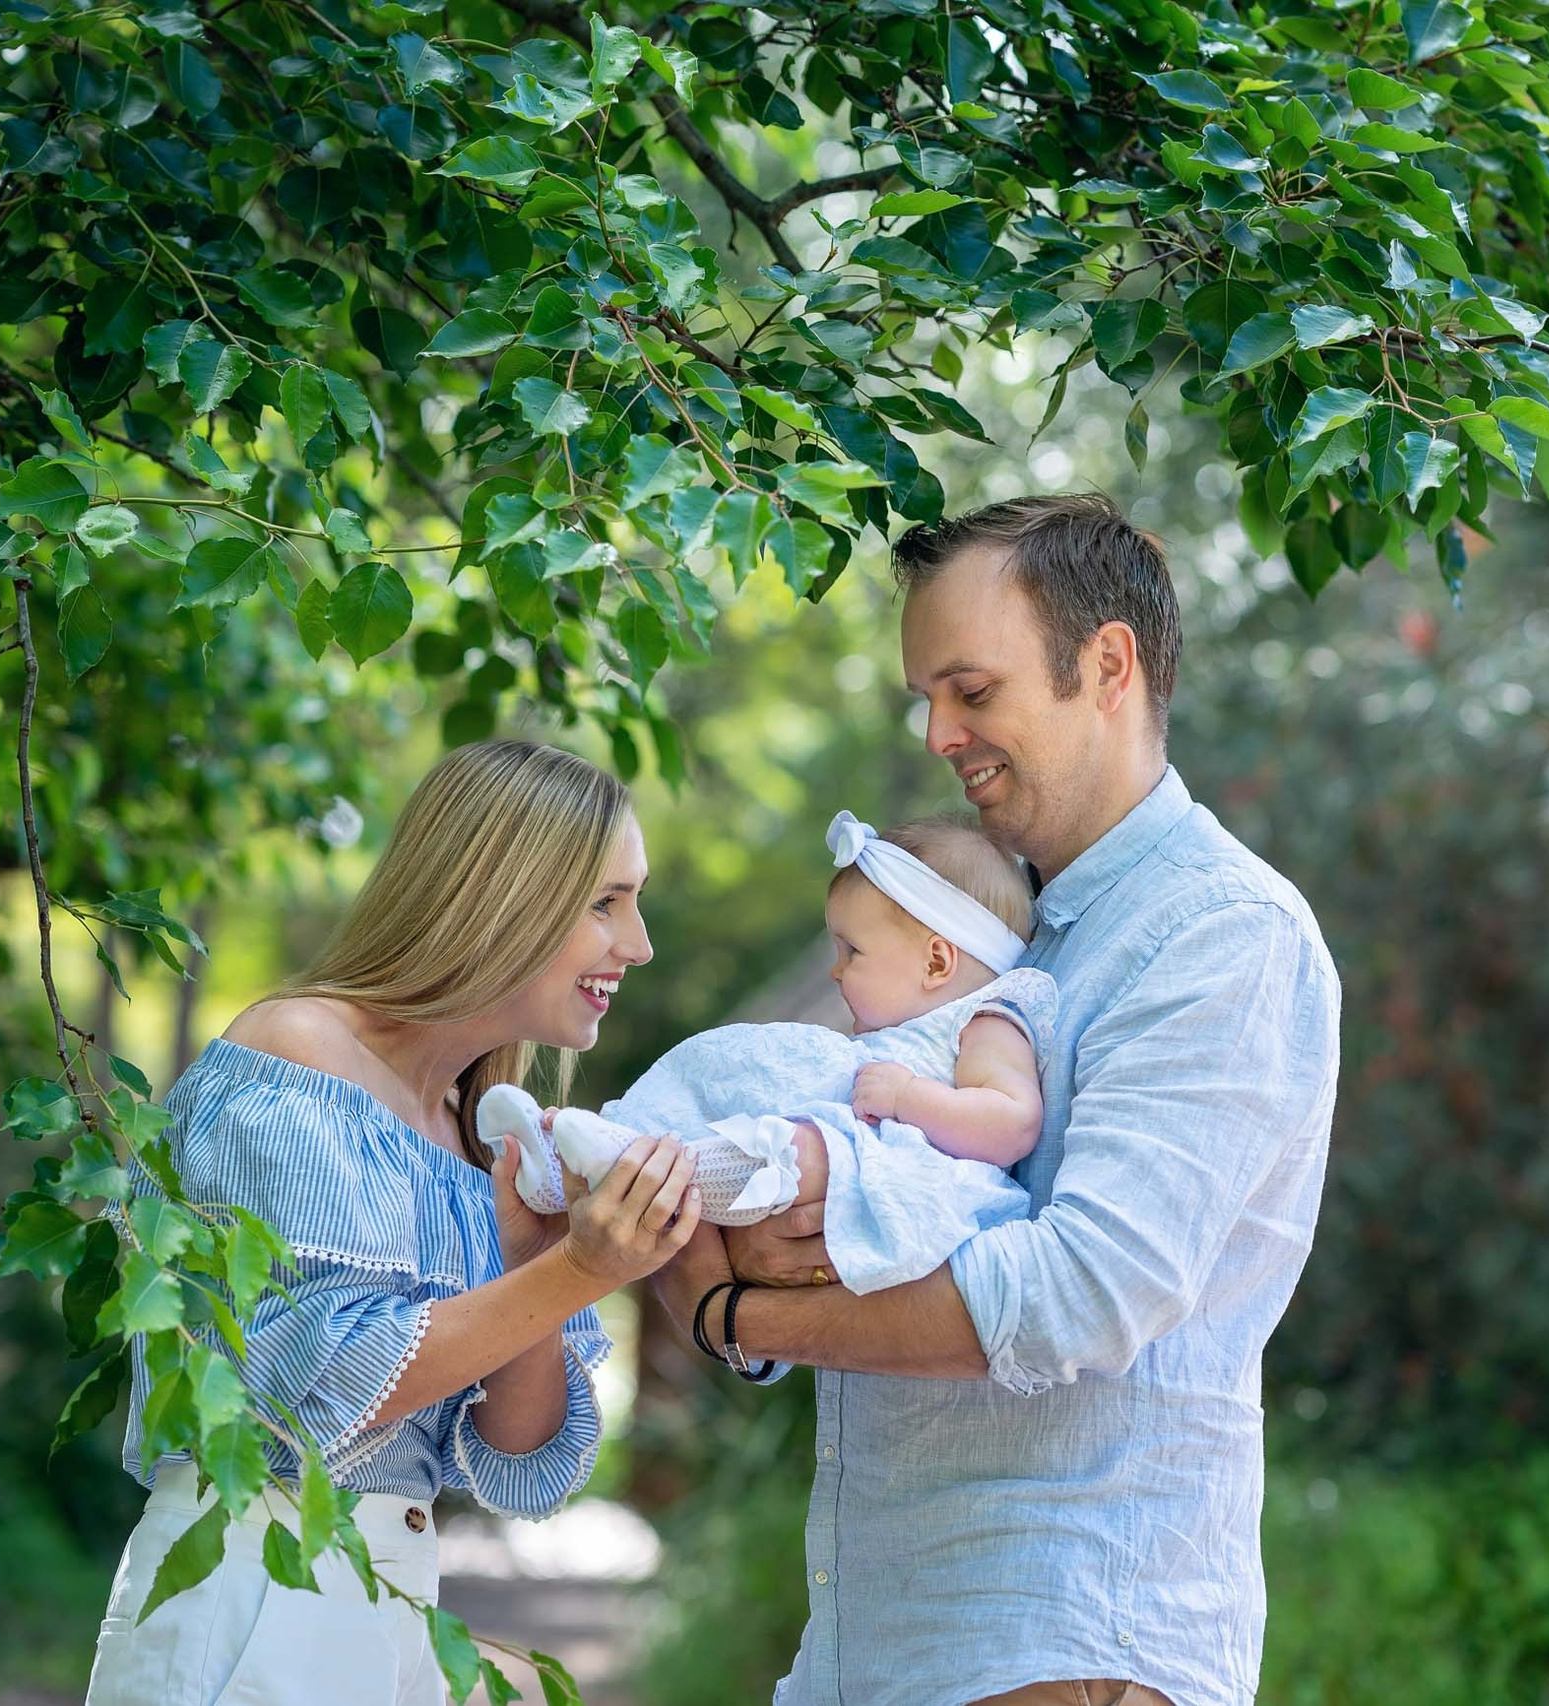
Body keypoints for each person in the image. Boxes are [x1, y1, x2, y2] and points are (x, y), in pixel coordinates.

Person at [652, 494, 1345, 1706]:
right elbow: (780, 1181)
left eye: (971, 690)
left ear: (1108, 664)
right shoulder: (964, 932)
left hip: (1065, 1642)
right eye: (926, 696)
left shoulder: (1217, 936)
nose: (936, 730)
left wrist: (740, 1316)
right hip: (879, 1640)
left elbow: (1080, 1293)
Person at [83, 740, 700, 1706]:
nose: (639, 942)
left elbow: (523, 1469)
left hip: (391, 1607)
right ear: (504, 894)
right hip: (252, 1588)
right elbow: (311, 1384)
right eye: (605, 902)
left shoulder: (477, 1132)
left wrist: (532, 1265)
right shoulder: (299, 1059)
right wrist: (574, 1276)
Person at [478, 811, 1055, 1295]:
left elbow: (1013, 1124)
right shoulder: (892, 1037)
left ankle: (634, 1165)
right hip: (852, 1150)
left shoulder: (987, 1021)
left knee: (802, 1146)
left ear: (936, 962)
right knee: (726, 1077)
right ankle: (563, 1163)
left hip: (910, 1175)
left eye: (852, 950)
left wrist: (908, 1097)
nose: (836, 969)